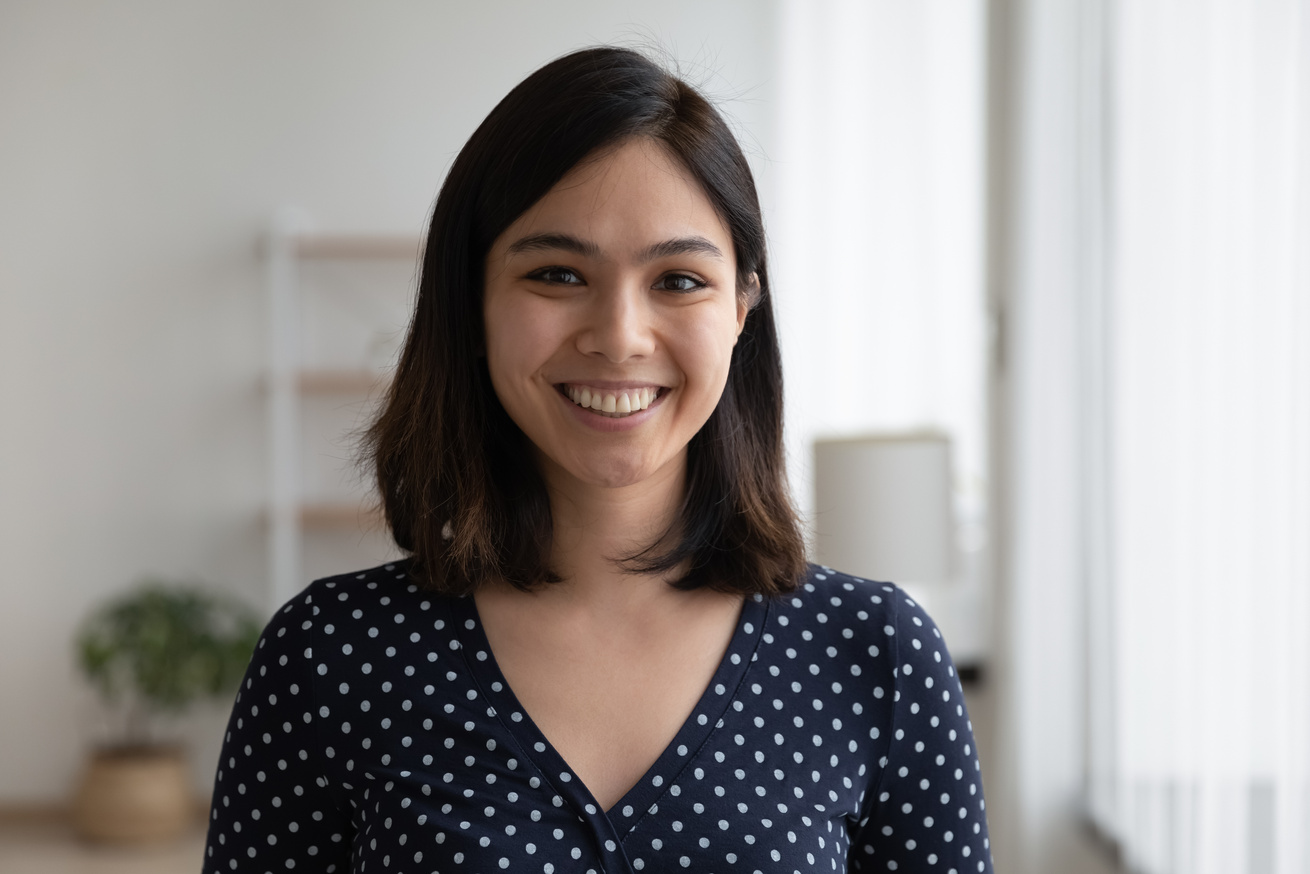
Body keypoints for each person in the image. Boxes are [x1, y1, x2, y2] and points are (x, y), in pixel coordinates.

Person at [203, 46, 992, 874]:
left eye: (679, 280)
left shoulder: (876, 654)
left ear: (742, 309)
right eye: (556, 273)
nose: (619, 336)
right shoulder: (330, 656)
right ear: (471, 303)